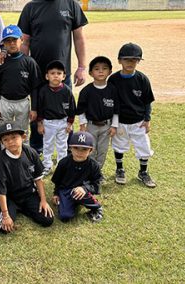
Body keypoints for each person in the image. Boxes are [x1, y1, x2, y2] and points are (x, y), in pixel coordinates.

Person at [18, 0, 88, 153]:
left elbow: (79, 38)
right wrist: (23, 68)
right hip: (37, 73)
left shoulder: (71, 5)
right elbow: (25, 42)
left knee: (65, 110)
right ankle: (37, 148)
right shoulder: (31, 8)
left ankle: (68, 147)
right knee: (37, 110)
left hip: (62, 74)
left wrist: (82, 67)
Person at [0, 121, 54, 233]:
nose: (10, 142)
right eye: (6, 139)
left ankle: (24, 209)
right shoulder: (0, 161)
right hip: (10, 196)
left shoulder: (30, 152)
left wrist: (43, 200)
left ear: (23, 137)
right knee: (3, 228)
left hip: (28, 194)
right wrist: (5, 215)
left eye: (14, 137)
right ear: (2, 142)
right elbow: (1, 191)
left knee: (47, 220)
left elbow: (38, 179)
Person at [108, 43, 156, 188]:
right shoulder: (114, 80)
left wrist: (147, 119)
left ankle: (143, 172)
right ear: (119, 60)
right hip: (120, 121)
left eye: (134, 60)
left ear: (138, 61)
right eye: (126, 59)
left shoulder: (142, 79)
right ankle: (120, 169)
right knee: (119, 145)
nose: (130, 63)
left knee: (144, 147)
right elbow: (111, 102)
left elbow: (147, 101)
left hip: (138, 121)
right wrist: (112, 123)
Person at [0, 25, 42, 142]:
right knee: (4, 131)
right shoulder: (1, 62)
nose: (11, 44)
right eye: (8, 41)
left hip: (22, 102)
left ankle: (24, 156)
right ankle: (5, 156)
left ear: (21, 40)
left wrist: (34, 108)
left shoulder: (29, 62)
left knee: (23, 131)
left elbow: (35, 88)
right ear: (3, 44)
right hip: (5, 102)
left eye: (14, 40)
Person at [76, 56, 119, 171]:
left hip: (107, 126)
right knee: (91, 149)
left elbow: (116, 110)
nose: (100, 71)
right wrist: (82, 125)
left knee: (103, 151)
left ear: (110, 72)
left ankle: (97, 173)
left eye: (104, 68)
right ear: (90, 73)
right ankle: (89, 172)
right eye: (96, 69)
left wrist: (114, 126)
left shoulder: (113, 90)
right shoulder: (86, 91)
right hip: (91, 126)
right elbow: (81, 110)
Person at [51, 131, 103, 222]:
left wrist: (85, 188)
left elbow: (97, 183)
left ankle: (96, 207)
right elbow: (57, 181)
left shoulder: (93, 165)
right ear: (70, 148)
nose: (79, 152)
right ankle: (74, 202)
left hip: (83, 191)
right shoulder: (64, 163)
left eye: (84, 149)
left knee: (78, 193)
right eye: (76, 148)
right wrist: (56, 194)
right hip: (66, 189)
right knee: (65, 216)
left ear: (91, 150)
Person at [37, 60, 76, 175]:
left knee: (62, 145)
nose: (55, 75)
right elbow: (40, 108)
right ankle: (47, 165)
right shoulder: (43, 91)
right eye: (52, 73)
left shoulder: (67, 91)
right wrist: (40, 123)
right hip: (48, 122)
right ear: (47, 76)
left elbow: (72, 109)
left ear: (64, 76)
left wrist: (70, 123)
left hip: (63, 122)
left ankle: (61, 165)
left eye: (59, 73)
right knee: (47, 144)